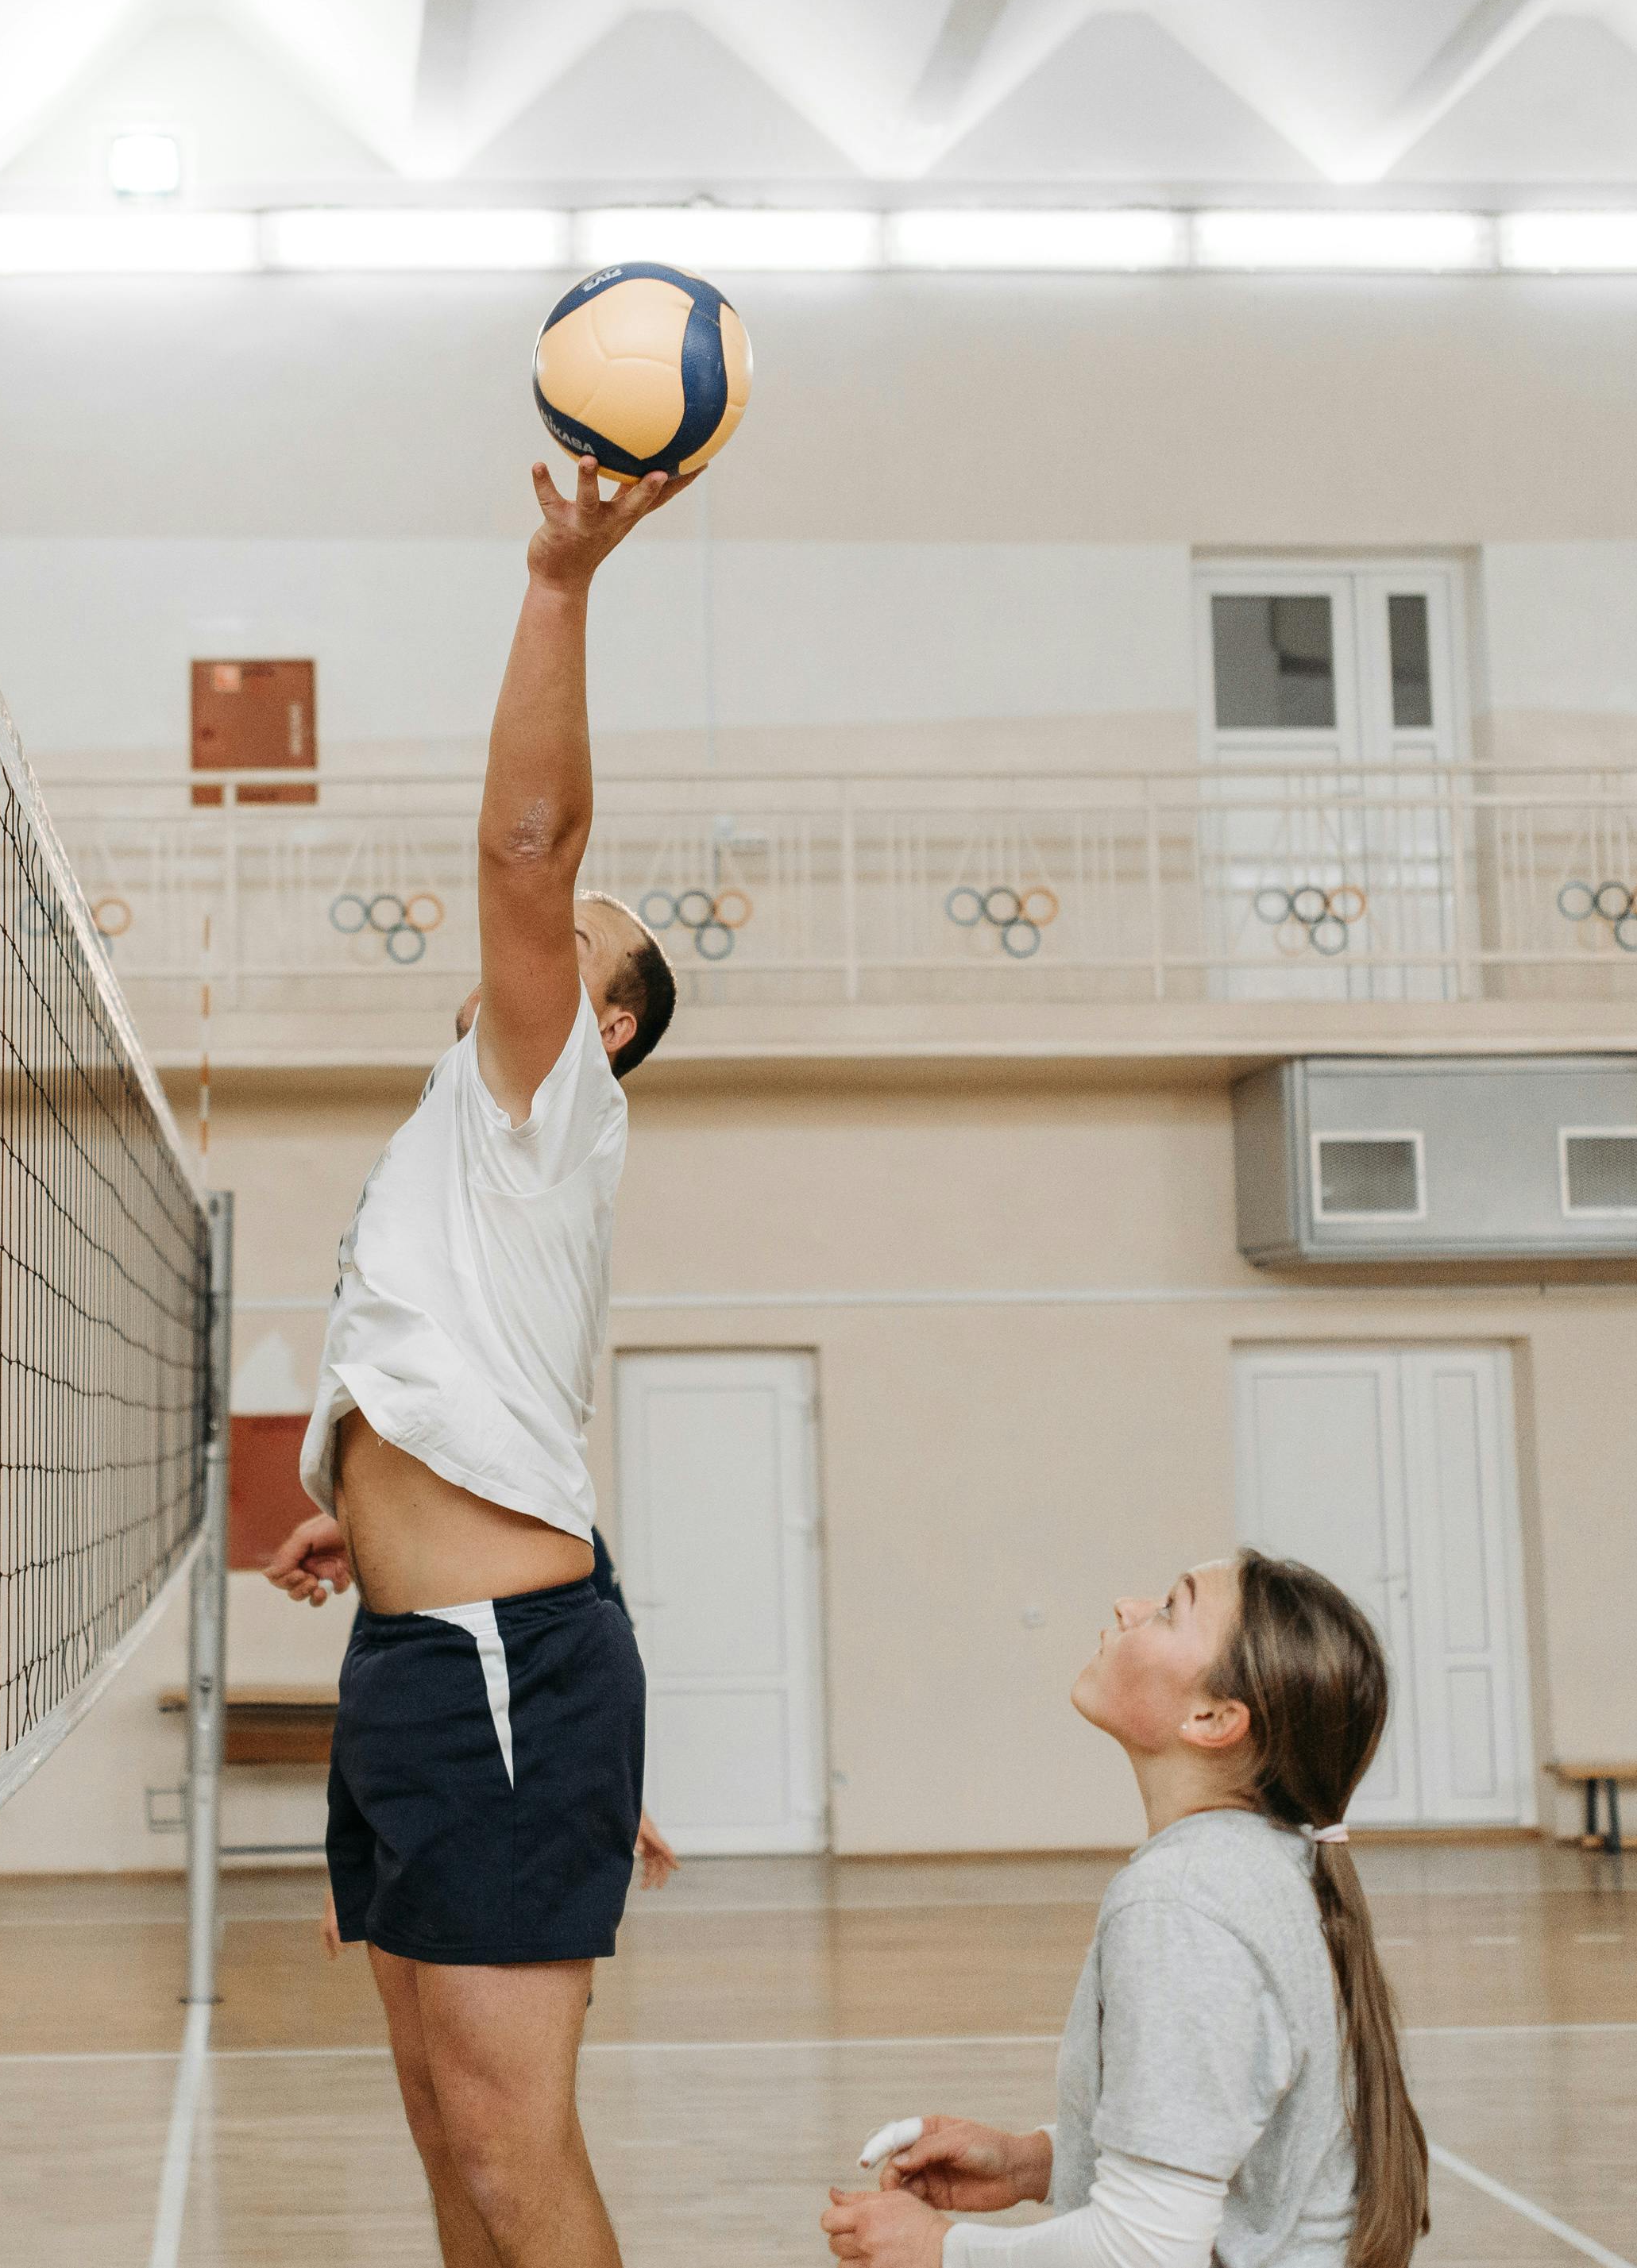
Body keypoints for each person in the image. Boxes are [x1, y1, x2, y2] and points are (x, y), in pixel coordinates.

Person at [259, 452, 689, 2268]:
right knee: (447, 2131)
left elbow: (529, 845)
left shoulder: (547, 1094)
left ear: (602, 1020)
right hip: (420, 1655)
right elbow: (440, 1376)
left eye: (578, 949)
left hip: (502, 1667)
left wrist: (559, 578)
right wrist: (353, 1501)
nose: (535, 936)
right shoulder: (463, 1129)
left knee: (513, 2143)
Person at [818, 1552, 1430, 2268]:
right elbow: (1241, 2144)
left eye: (1172, 1608)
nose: (1126, 1605)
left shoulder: (1184, 1906)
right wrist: (1033, 2161)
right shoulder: (1263, 1864)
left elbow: (1143, 2249)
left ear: (1211, 1717)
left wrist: (937, 2247)